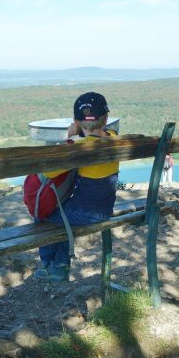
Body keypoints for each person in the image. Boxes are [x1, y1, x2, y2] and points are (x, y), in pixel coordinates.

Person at [35, 92, 119, 282]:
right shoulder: (114, 138)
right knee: (63, 214)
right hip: (106, 209)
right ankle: (57, 264)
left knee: (44, 217)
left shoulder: (77, 149)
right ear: (106, 119)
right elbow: (94, 137)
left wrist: (71, 138)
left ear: (75, 120)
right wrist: (81, 133)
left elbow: (49, 173)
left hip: (85, 213)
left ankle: (54, 265)